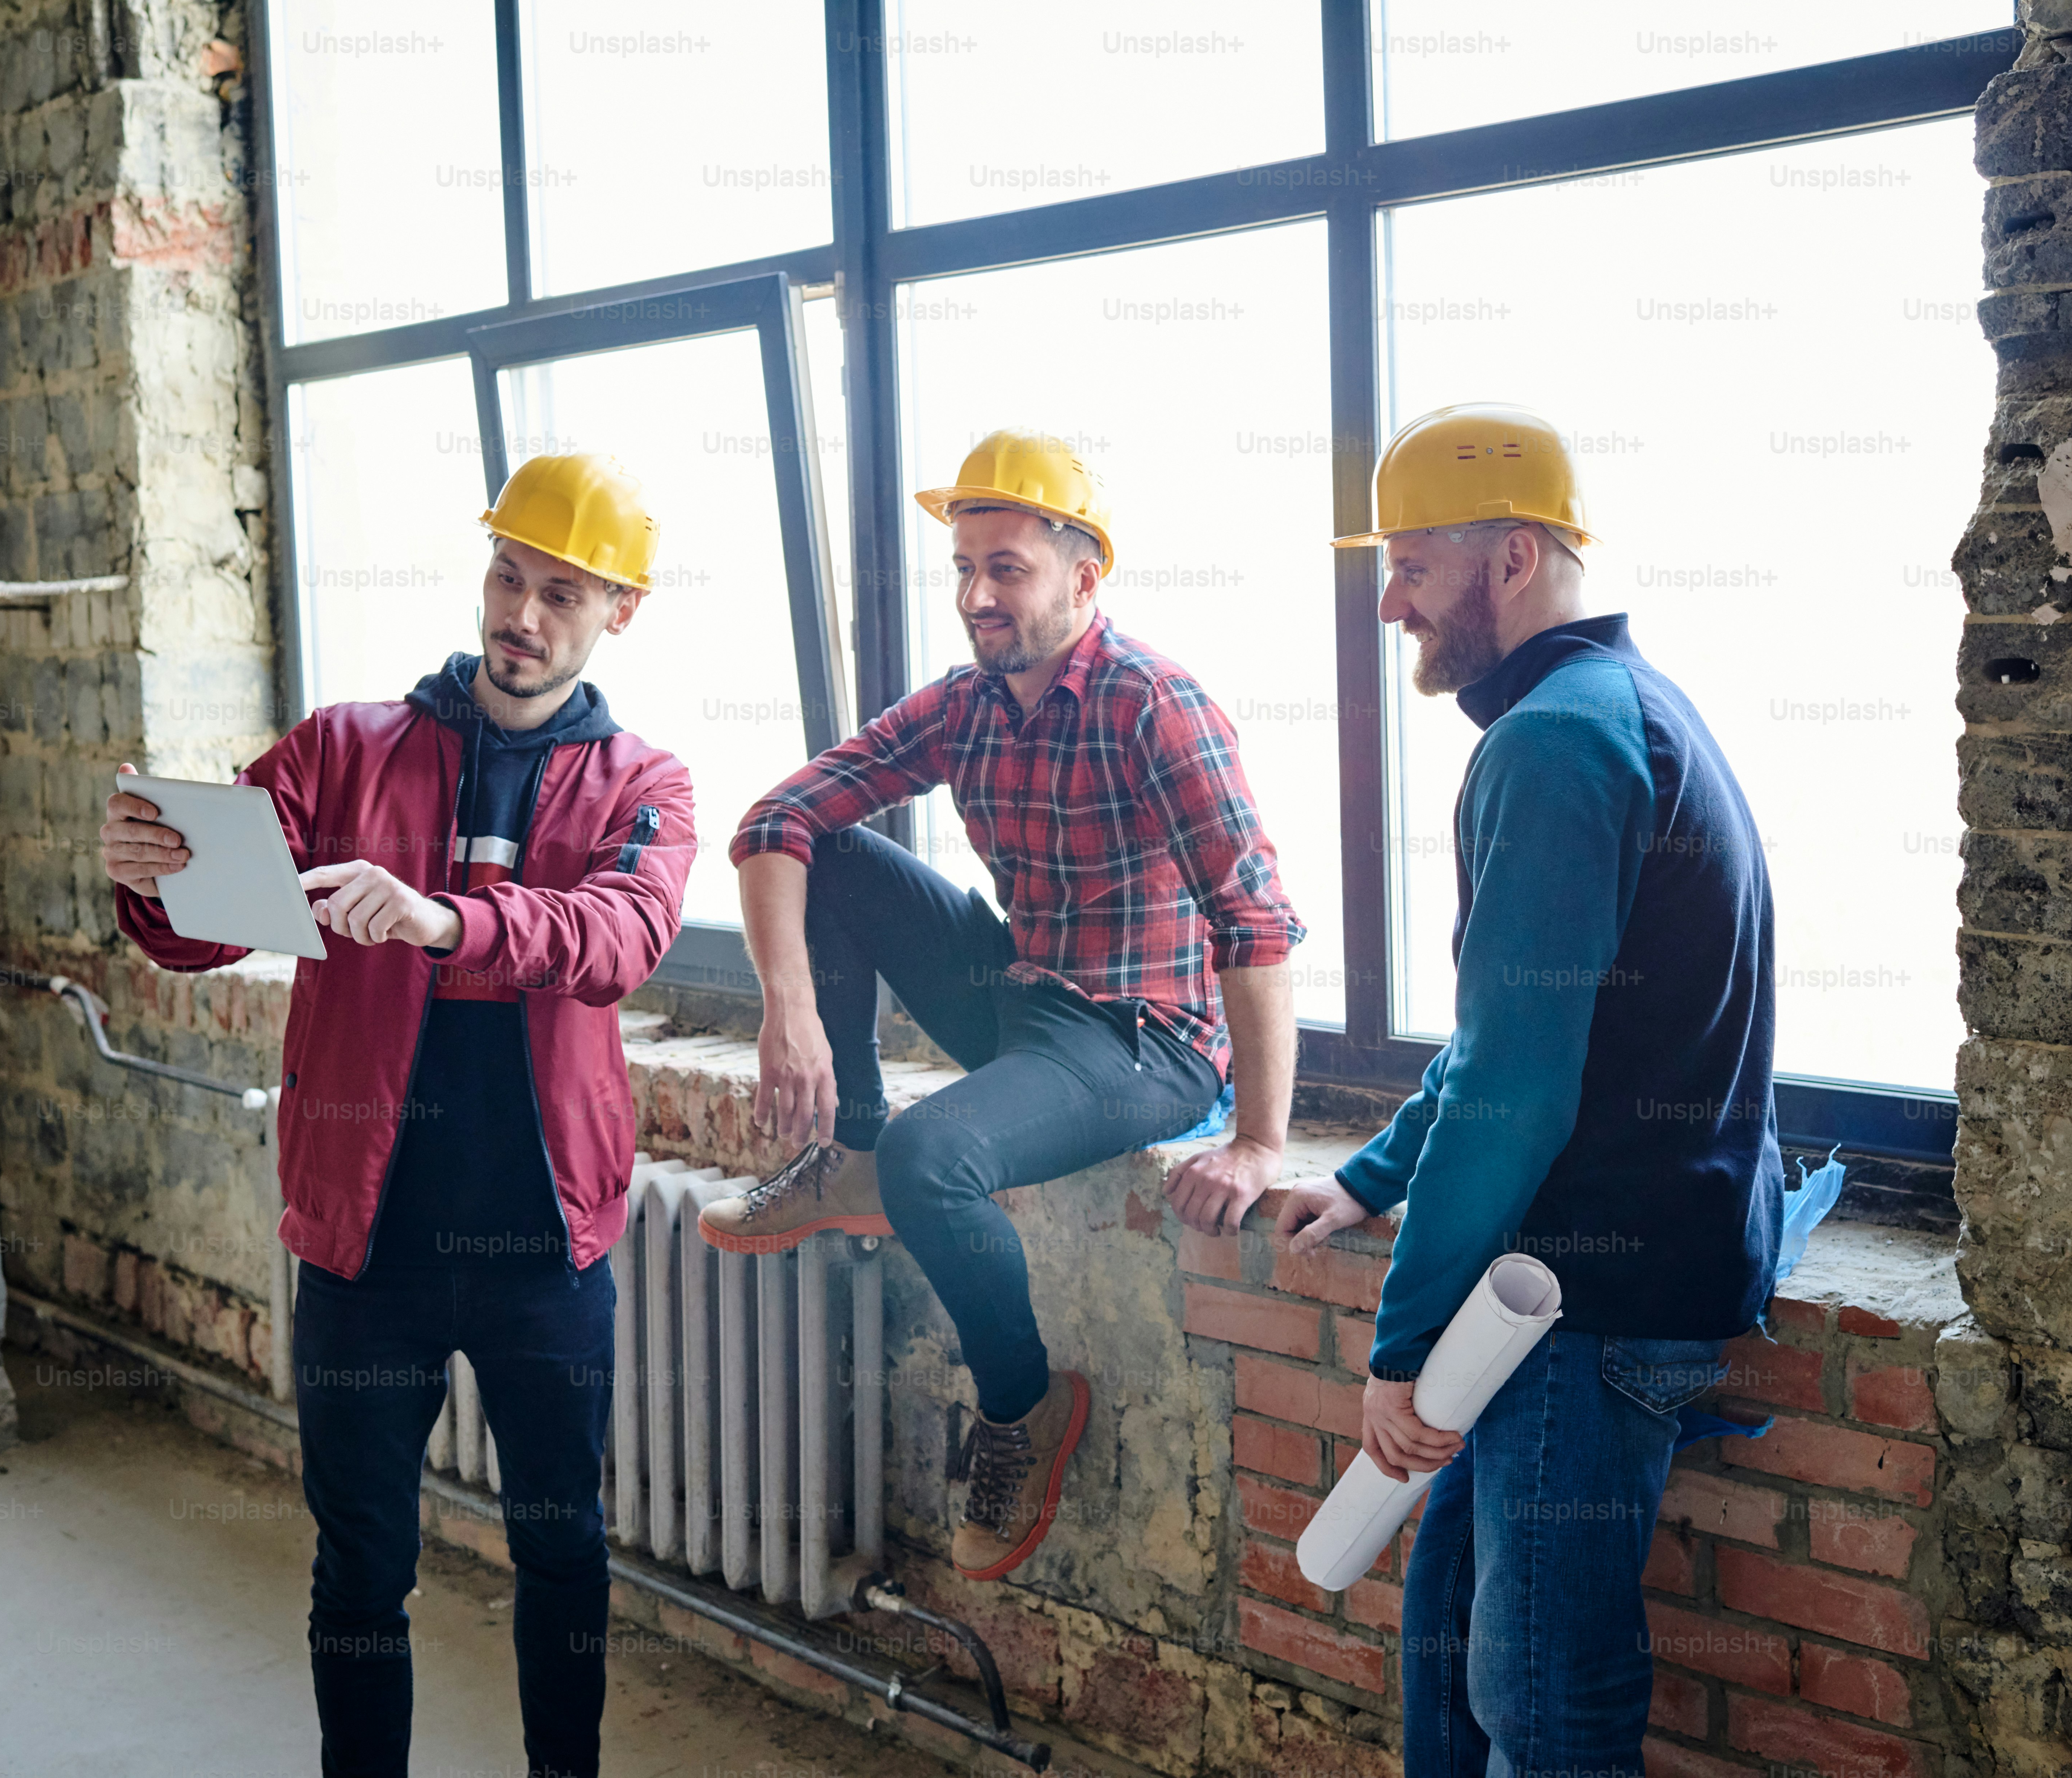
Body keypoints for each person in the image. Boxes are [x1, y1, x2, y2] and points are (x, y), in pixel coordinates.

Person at [97, 454, 696, 1778]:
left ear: (621, 612)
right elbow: (208, 925)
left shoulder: (645, 784)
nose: (522, 616)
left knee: (561, 1549)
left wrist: (445, 921)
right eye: (508, 576)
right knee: (361, 1565)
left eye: (561, 594)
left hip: (546, 1257)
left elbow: (621, 939)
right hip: (367, 1256)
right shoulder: (340, 749)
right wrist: (151, 876)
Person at [1275, 405, 1783, 1775]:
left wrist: (1399, 1350)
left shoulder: (1554, 744)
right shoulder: (1623, 707)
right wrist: (1372, 1177)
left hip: (1583, 1303)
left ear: (1511, 558)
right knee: (1450, 1648)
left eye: (1411, 566)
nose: (1390, 604)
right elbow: (1515, 1035)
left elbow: (1514, 1089)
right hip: (1605, 1280)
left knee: (1547, 1703)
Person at [703, 428, 1305, 1581]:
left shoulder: (1155, 705)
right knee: (831, 854)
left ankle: (1025, 1408)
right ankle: (852, 1152)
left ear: (1084, 577)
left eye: (1008, 569)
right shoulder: (965, 704)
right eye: (965, 569)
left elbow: (1257, 923)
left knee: (938, 1156)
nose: (978, 596)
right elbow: (776, 820)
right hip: (1024, 996)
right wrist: (790, 1009)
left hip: (1144, 1041)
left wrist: (1262, 1144)